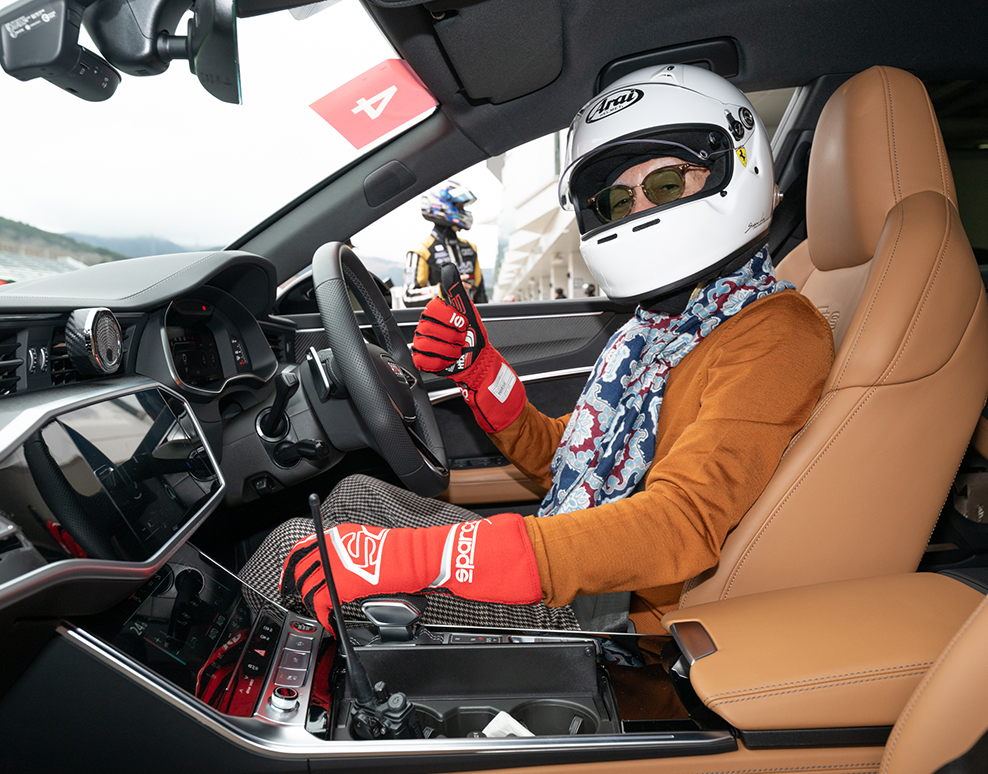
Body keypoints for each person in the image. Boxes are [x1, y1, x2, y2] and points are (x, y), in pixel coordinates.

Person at [240, 64, 834, 634]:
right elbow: (562, 457)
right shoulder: (656, 330)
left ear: (734, 169)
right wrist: (481, 372)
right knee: (353, 496)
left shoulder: (775, 332)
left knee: (293, 549)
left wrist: (433, 557)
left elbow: (681, 524)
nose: (639, 210)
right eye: (618, 201)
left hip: (613, 620)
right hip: (583, 566)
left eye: (665, 184)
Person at [402, 181, 486, 307]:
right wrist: (444, 289)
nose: (463, 212)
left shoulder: (470, 248)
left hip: (468, 319)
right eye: (459, 207)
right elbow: (408, 297)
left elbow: (480, 296)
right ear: (442, 207)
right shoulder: (421, 250)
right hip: (438, 318)